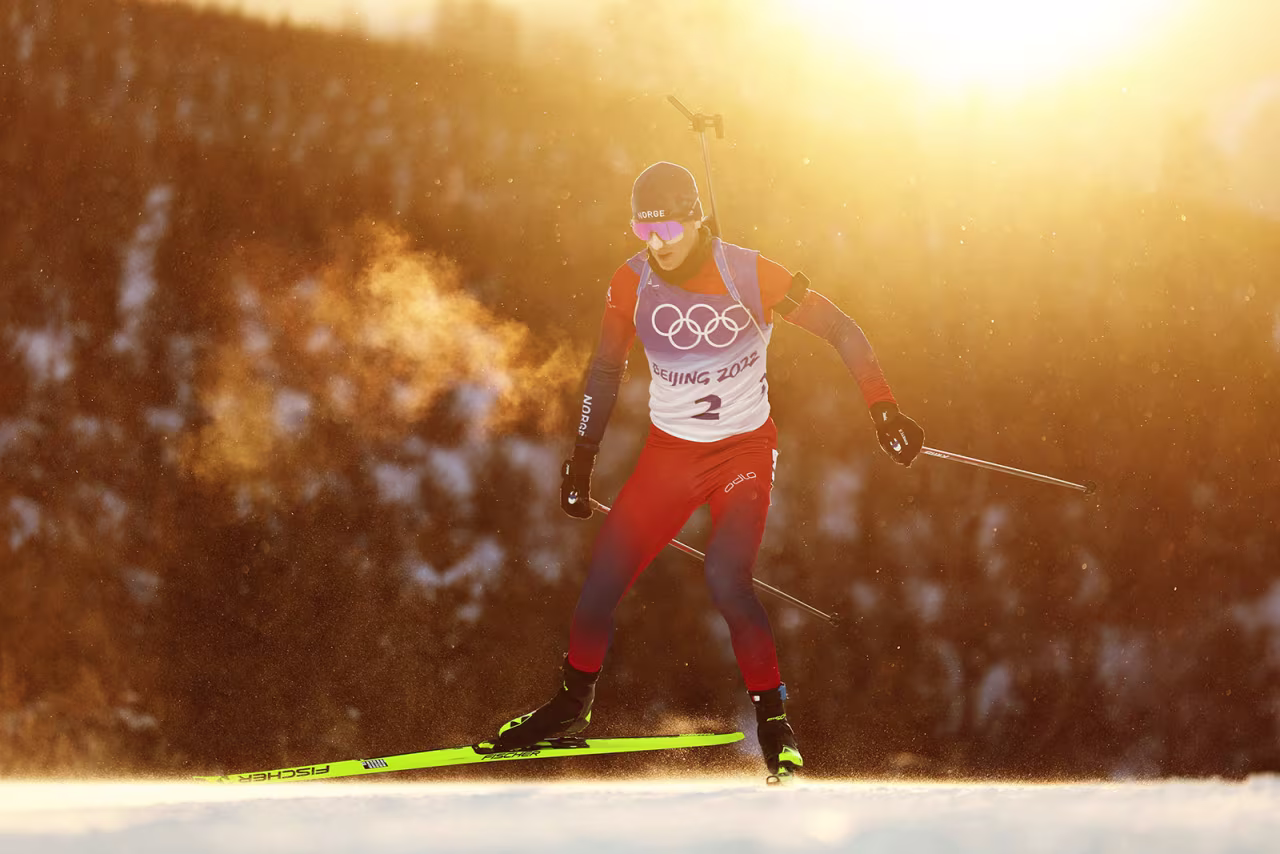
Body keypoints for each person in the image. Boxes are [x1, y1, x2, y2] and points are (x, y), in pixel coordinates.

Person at [493, 161, 924, 780]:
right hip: (671, 455)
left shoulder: (747, 271)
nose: (656, 241)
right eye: (643, 228)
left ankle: (775, 725)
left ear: (695, 219)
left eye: (667, 225)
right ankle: (570, 707)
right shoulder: (631, 280)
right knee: (600, 585)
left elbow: (841, 329)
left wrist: (884, 409)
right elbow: (604, 371)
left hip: (743, 454)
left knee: (728, 578)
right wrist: (581, 456)